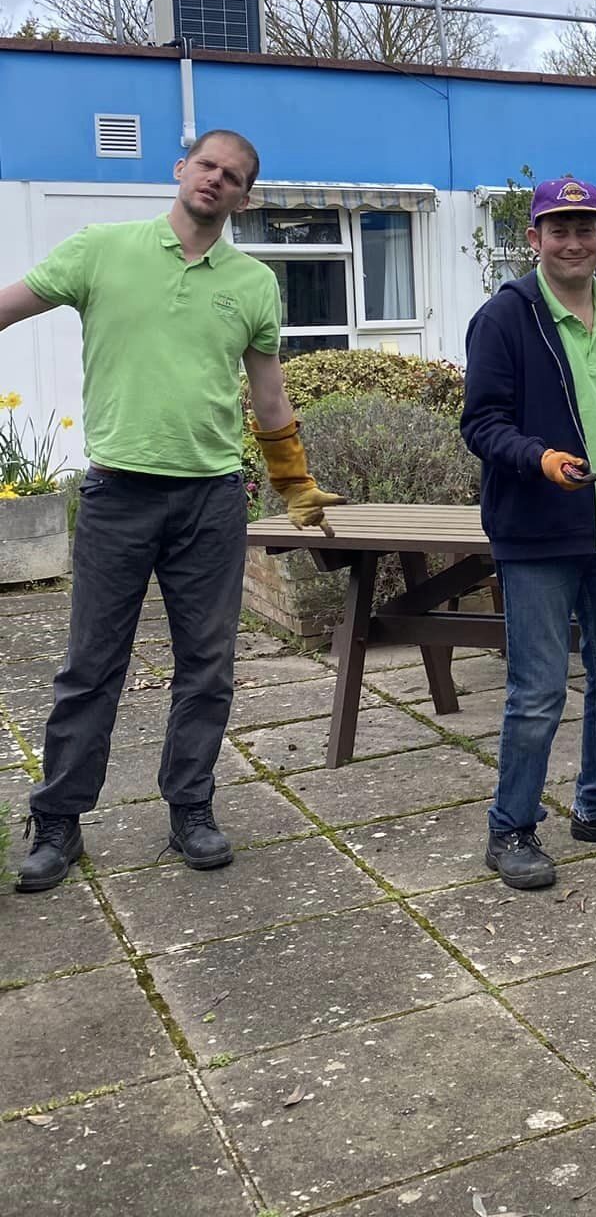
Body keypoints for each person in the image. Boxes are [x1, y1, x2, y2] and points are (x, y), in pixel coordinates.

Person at [0, 130, 343, 893]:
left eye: (235, 178)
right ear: (182, 169)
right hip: (119, 494)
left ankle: (191, 805)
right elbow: (11, 305)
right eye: (209, 166)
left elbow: (269, 392)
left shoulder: (253, 282)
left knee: (208, 669)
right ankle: (58, 819)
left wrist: (293, 482)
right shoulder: (101, 249)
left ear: (246, 198)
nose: (217, 182)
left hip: (212, 499)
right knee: (91, 667)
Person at [461, 178, 596, 892]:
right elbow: (481, 424)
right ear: (535, 238)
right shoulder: (505, 319)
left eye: (587, 228)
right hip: (538, 536)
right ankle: (511, 828)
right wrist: (538, 458)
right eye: (560, 229)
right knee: (538, 689)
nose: (574, 241)